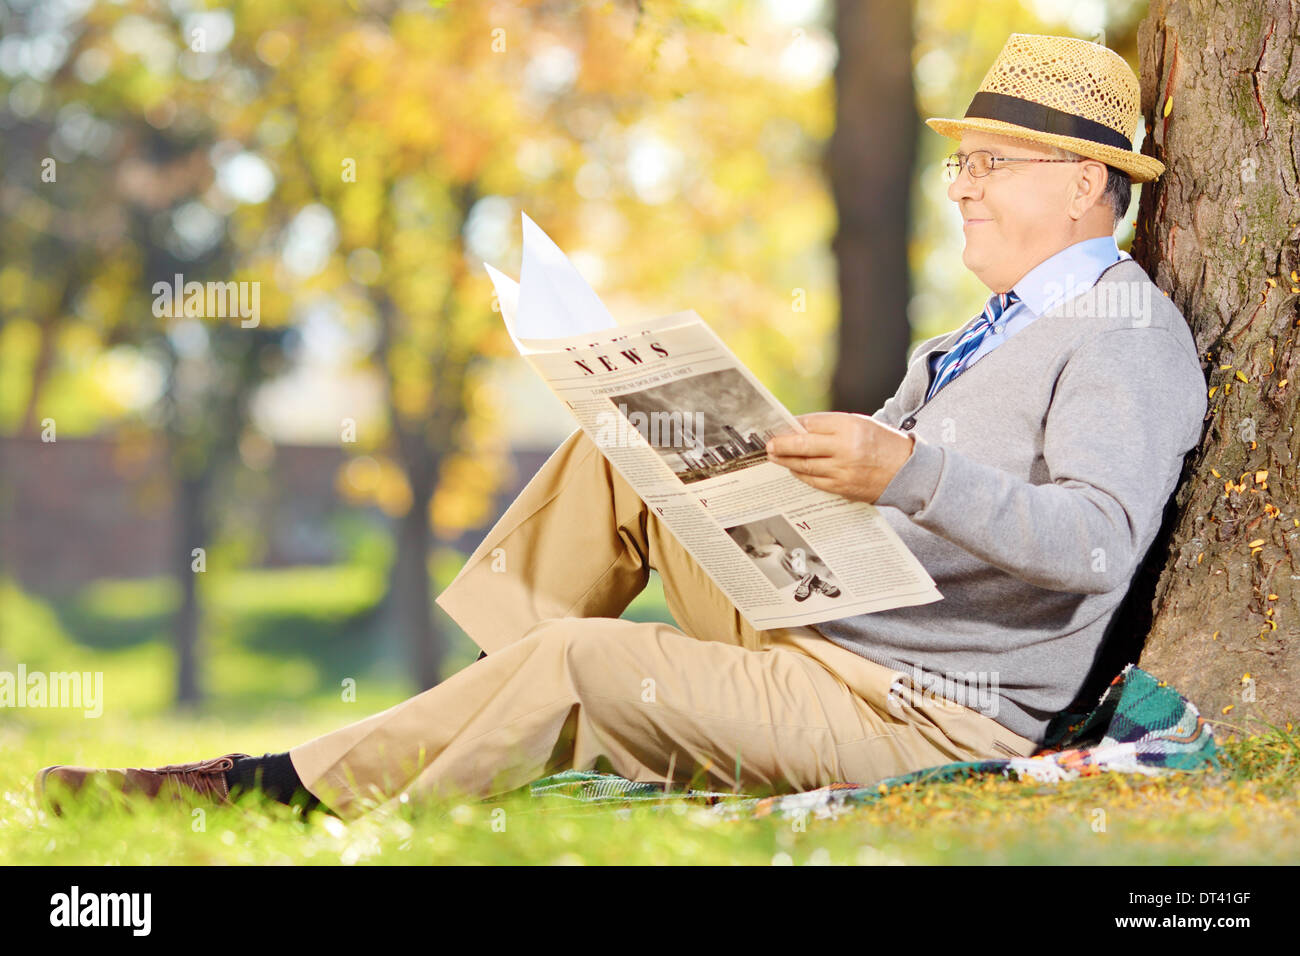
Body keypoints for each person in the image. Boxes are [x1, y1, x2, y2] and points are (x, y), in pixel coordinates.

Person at [36, 33, 1206, 822]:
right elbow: (899, 489)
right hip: (836, 624)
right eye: (959, 159)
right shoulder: (989, 325)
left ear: (1080, 184)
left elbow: (1096, 540)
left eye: (988, 163)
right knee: (622, 451)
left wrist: (905, 467)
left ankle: (278, 792)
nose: (959, 184)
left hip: (915, 708)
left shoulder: (1118, 328)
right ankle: (502, 701)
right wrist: (787, 456)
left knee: (586, 661)